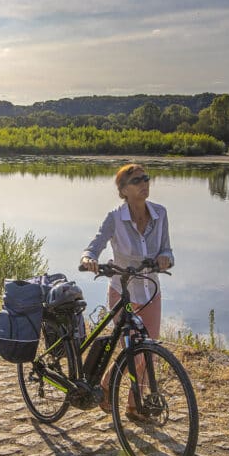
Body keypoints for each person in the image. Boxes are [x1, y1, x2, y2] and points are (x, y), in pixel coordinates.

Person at [80, 163, 174, 421]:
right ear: (123, 190)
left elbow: (167, 249)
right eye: (136, 181)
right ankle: (113, 386)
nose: (144, 183)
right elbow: (96, 244)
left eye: (146, 178)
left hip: (151, 292)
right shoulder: (115, 218)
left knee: (148, 353)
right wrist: (89, 258)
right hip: (122, 292)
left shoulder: (160, 214)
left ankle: (131, 404)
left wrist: (165, 258)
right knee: (135, 351)